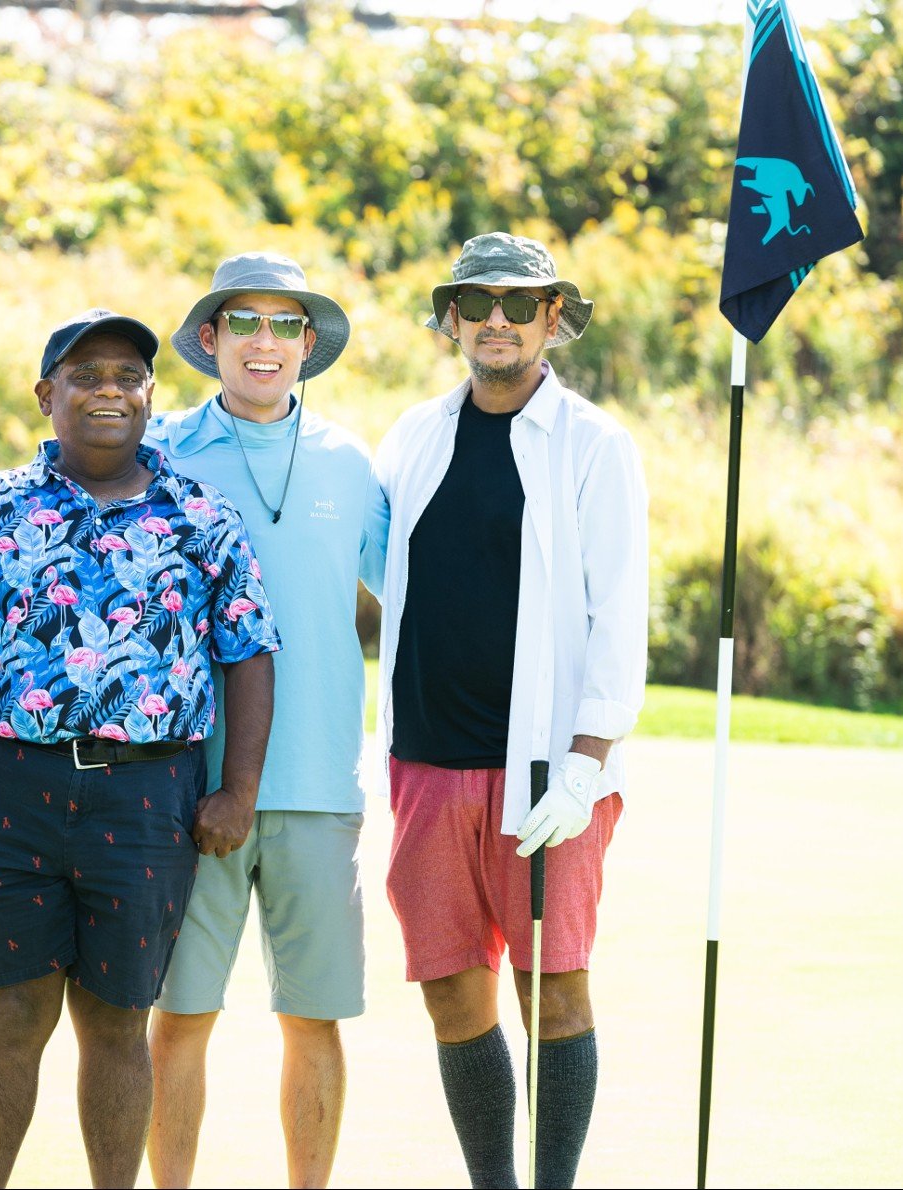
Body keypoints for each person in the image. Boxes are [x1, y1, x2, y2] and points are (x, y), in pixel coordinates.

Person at [0, 309, 279, 1189]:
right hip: (10, 791)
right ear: (47, 395)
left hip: (150, 798)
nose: (110, 391)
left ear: (150, 395)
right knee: (12, 1019)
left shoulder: (202, 517)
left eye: (127, 377)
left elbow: (248, 657)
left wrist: (238, 791)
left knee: (116, 1022)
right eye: (85, 376)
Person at [373, 233, 648, 1189]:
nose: (496, 320)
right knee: (452, 991)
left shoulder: (594, 444)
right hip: (424, 764)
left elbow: (618, 615)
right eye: (477, 302)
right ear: (451, 318)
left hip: (547, 772)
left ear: (550, 320)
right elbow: (382, 577)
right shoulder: (412, 434)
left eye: (518, 304)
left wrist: (586, 763)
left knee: (555, 990)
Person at [141, 253, 387, 1189]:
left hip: (320, 781)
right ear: (210, 340)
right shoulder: (160, 454)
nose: (266, 342)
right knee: (180, 1018)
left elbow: (411, 590)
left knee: (312, 1018)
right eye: (245, 321)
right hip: (187, 786)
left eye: (287, 325)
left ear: (308, 345)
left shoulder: (348, 461)